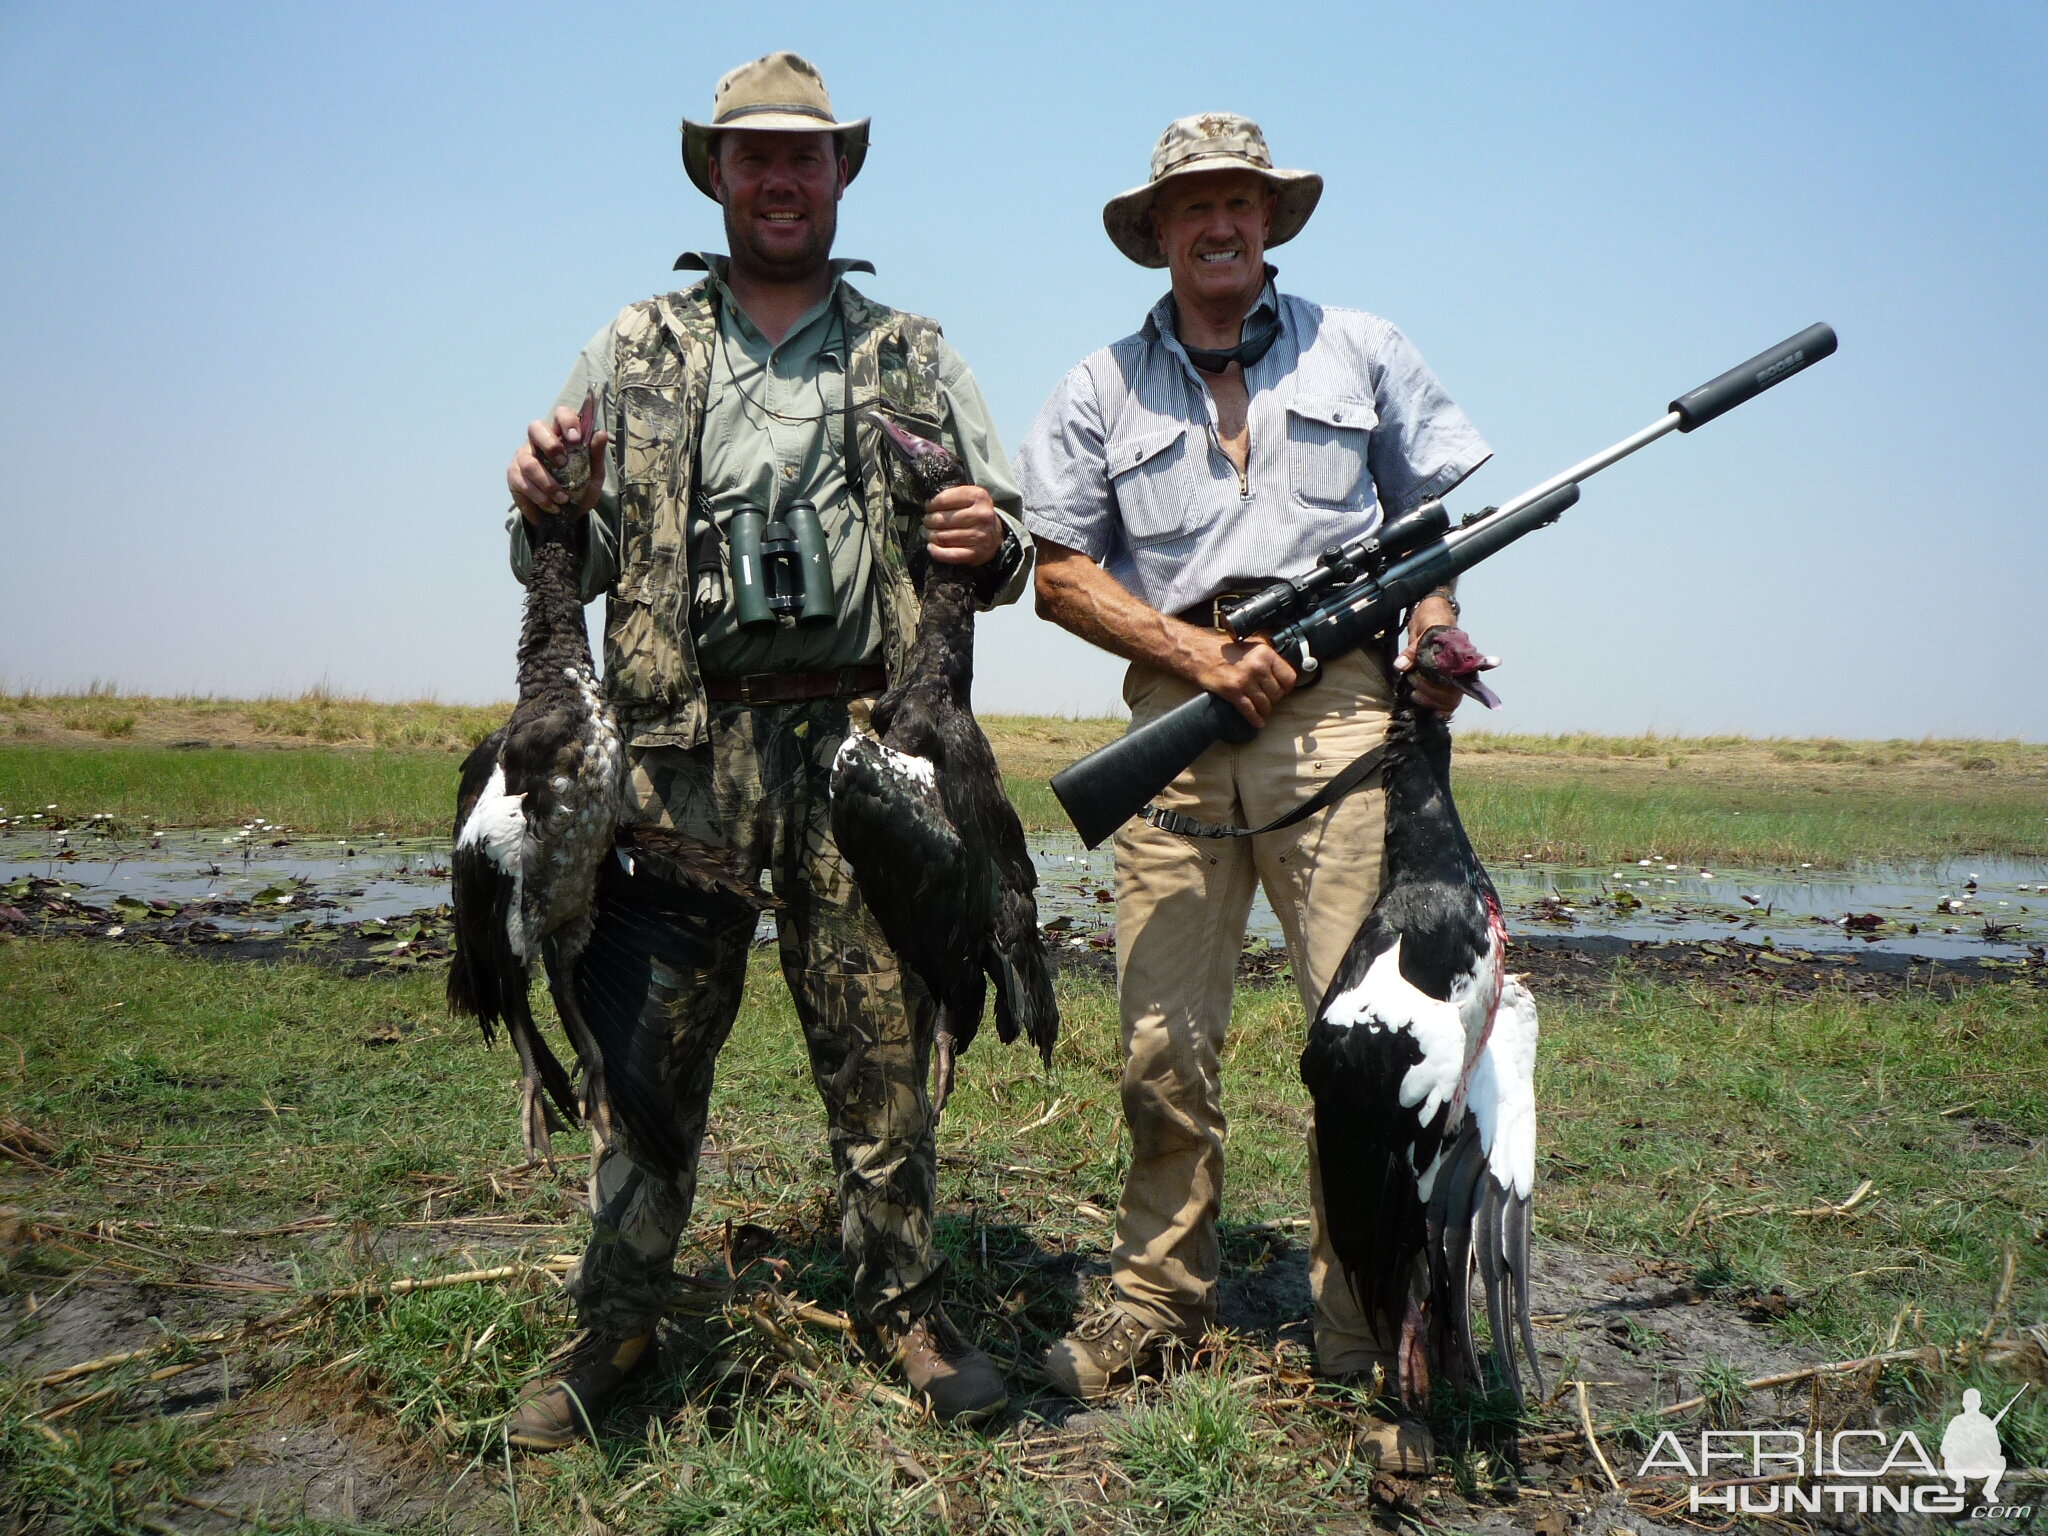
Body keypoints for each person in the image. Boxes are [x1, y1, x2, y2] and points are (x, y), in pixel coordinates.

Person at [499, 51, 1031, 1448]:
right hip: (683, 749)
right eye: (755, 159)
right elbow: (570, 543)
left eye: (806, 158)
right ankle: (615, 1320)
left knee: (877, 1043)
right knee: (649, 1044)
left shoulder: (911, 351)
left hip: (865, 740)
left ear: (841, 174)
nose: (782, 180)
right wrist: (548, 490)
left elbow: (1005, 534)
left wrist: (996, 536)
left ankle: (902, 1303)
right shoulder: (634, 348)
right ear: (716, 177)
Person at [1014, 112, 1491, 1467]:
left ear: (1271, 221)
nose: (1220, 223)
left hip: (1339, 719)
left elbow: (1434, 537)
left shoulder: (1365, 351)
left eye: (1243, 201)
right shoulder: (1099, 386)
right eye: (1193, 206)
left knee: (1365, 1046)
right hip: (1177, 712)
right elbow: (1058, 571)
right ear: (1156, 232)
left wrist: (1432, 633)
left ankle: (1369, 1318)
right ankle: (1158, 1297)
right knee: (1160, 1037)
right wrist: (1197, 656)